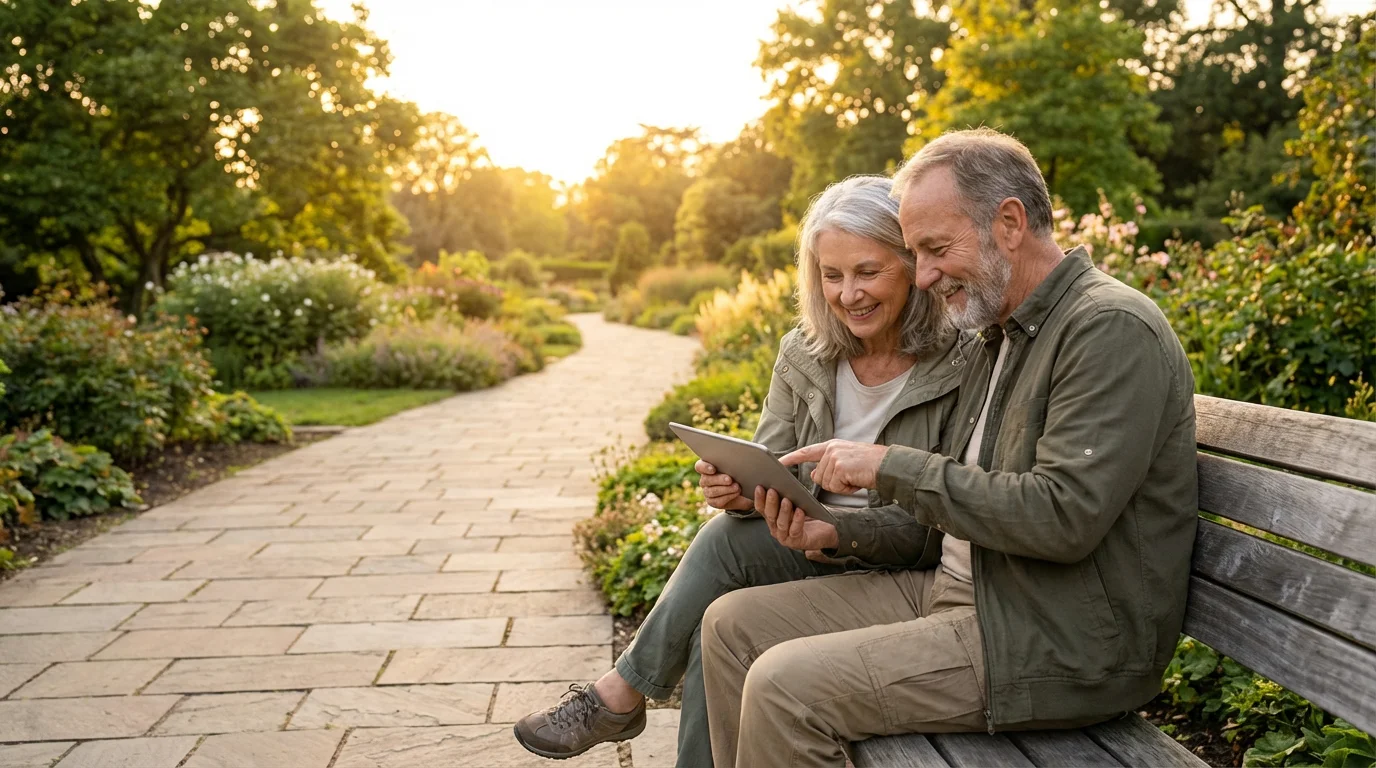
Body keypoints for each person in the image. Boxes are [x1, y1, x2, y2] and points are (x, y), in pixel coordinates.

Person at [697, 128, 1199, 768]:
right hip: (965, 592)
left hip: (1054, 641)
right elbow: (940, 529)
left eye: (936, 249)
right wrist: (835, 536)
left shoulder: (1107, 329)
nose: (925, 276)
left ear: (1010, 223)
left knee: (784, 687)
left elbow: (1063, 517)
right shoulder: (1001, 334)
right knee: (732, 628)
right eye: (914, 253)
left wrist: (888, 465)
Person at [513, 175, 970, 765]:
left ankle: (619, 694)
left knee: (723, 583)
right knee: (723, 576)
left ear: (911, 265)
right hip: (800, 541)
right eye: (831, 276)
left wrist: (833, 528)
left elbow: (933, 524)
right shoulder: (803, 353)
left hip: (895, 556)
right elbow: (770, 463)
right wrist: (735, 491)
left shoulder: (958, 362)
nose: (848, 294)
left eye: (867, 272)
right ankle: (622, 698)